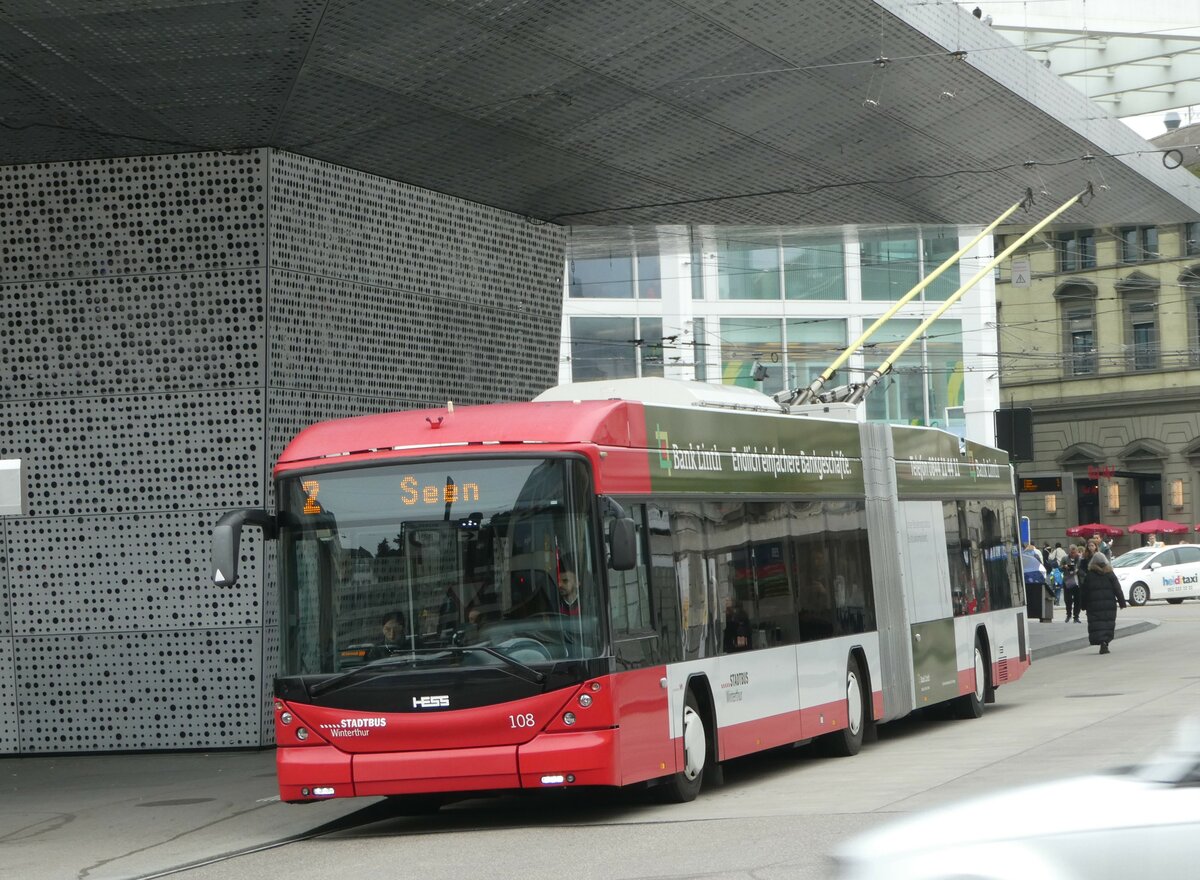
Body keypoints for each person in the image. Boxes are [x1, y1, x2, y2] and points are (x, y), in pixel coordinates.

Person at [1081, 552, 1126, 654]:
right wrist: (1122, 602)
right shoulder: (1110, 574)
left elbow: (1084, 592)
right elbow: (1117, 589)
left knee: (1097, 623)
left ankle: (1101, 642)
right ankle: (1105, 642)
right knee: (1107, 623)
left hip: (1093, 605)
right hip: (1109, 604)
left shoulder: (1089, 575)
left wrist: (1083, 605)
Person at [1062, 544, 1082, 623]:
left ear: (1077, 552)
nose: (1073, 554)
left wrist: (1078, 571)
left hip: (1077, 582)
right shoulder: (1065, 558)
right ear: (1069, 552)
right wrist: (1065, 567)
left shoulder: (1080, 559)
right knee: (1068, 599)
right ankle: (1068, 614)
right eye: (1071, 553)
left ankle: (1076, 616)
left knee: (1078, 599)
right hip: (1068, 581)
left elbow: (1083, 569)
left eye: (1074, 552)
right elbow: (1060, 568)